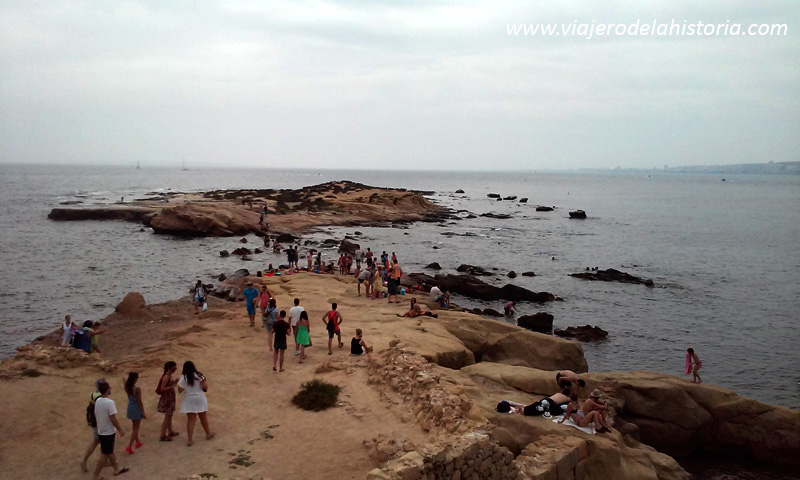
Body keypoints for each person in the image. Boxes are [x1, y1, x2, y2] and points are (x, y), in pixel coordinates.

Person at [92, 380, 128, 480]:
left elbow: (96, 414)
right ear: (107, 390)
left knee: (109, 450)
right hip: (108, 432)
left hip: (101, 430)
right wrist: (120, 429)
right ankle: (95, 476)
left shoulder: (98, 401)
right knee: (105, 453)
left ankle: (116, 469)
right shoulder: (109, 402)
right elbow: (113, 418)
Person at [178, 361, 214, 446]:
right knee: (203, 417)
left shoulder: (184, 377)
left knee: (191, 420)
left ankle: (190, 440)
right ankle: (208, 433)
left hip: (189, 399)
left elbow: (180, 390)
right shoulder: (199, 375)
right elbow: (205, 387)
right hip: (200, 398)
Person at [80, 378, 105, 473]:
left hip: (94, 422)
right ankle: (84, 460)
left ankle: (104, 460)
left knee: (100, 441)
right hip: (99, 422)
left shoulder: (92, 394)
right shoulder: (100, 397)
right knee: (97, 441)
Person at [156, 361, 180, 442]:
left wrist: (174, 382)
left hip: (170, 398)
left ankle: (170, 431)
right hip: (168, 399)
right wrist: (172, 386)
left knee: (169, 415)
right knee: (167, 417)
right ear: (169, 368)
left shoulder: (169, 375)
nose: (175, 370)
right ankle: (162, 434)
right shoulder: (166, 376)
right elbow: (162, 388)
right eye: (174, 368)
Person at [123, 372, 145, 454]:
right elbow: (139, 401)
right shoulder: (137, 389)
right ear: (135, 379)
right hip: (136, 408)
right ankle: (130, 445)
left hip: (130, 407)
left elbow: (124, 378)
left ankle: (137, 441)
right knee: (136, 428)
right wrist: (143, 412)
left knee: (134, 426)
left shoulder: (127, 387)